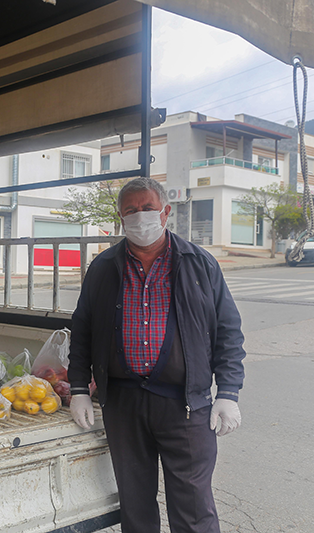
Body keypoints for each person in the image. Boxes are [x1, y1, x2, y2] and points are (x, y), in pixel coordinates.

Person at [68, 176, 244, 533]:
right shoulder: (103, 268)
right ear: (121, 219)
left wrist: (228, 392)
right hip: (123, 402)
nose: (140, 217)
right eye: (130, 211)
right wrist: (78, 389)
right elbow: (82, 330)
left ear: (165, 212)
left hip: (185, 404)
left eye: (147, 208)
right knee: (135, 504)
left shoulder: (199, 264)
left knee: (194, 506)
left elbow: (228, 330)